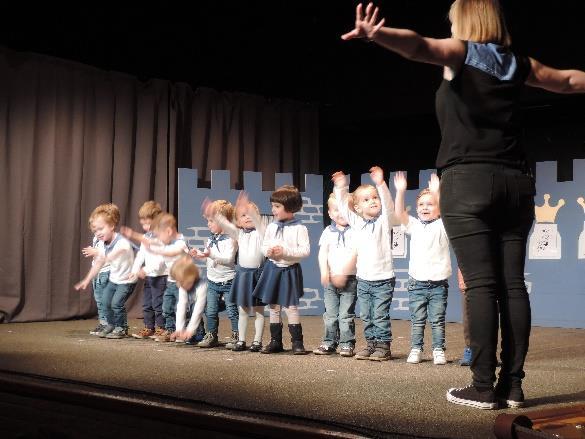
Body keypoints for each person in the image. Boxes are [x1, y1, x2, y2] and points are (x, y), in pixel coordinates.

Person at [342, 0, 585, 409]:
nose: (449, 23)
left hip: (469, 180)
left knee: (482, 285)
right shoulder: (518, 63)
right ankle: (513, 386)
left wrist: (377, 34)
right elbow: (568, 80)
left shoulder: (462, 51)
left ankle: (484, 388)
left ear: (467, 19)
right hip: (517, 182)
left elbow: (419, 46)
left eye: (453, 17)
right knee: (512, 285)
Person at [331, 166, 399, 361]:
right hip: (364, 279)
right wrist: (341, 188)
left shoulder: (383, 222)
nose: (373, 201)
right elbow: (344, 206)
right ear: (358, 208)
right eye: (366, 199)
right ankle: (371, 344)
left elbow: (388, 205)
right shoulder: (357, 223)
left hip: (383, 279)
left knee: (379, 315)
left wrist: (381, 184)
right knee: (367, 316)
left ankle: (383, 346)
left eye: (374, 197)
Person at [394, 172, 451, 366]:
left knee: (437, 320)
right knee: (417, 320)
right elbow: (399, 213)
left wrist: (437, 192)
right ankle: (416, 348)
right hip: (417, 282)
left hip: (438, 283)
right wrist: (400, 191)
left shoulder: (444, 225)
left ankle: (438, 349)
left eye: (430, 204)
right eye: (421, 204)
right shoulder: (414, 225)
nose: (425, 207)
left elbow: (447, 209)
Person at [252, 185, 310, 355]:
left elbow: (304, 251)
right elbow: (264, 245)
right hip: (272, 269)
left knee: (291, 306)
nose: (273, 210)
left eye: (277, 206)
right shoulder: (272, 227)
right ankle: (275, 341)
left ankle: (297, 342)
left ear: (290, 207)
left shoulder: (300, 228)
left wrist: (285, 252)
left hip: (289, 270)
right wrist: (268, 252)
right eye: (273, 206)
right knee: (274, 305)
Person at [209, 192, 267, 352]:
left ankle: (257, 341)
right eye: (243, 215)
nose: (248, 217)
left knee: (259, 311)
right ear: (238, 221)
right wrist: (215, 214)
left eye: (251, 215)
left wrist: (248, 208)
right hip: (243, 276)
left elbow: (258, 223)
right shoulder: (239, 234)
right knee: (242, 310)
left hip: (258, 275)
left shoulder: (261, 233)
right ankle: (241, 340)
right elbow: (227, 226)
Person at [74, 203, 137, 339]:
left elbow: (117, 253)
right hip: (103, 274)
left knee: (114, 302)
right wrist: (87, 279)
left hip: (117, 276)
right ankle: (107, 324)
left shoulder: (120, 241)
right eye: (95, 230)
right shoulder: (100, 240)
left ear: (112, 226)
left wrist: (98, 252)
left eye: (101, 229)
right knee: (102, 301)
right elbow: (98, 262)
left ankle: (119, 326)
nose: (98, 233)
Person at [313, 193, 357, 357]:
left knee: (346, 315)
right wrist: (324, 271)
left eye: (346, 210)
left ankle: (347, 344)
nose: (341, 213)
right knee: (330, 314)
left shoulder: (356, 231)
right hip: (331, 280)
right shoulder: (328, 232)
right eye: (336, 210)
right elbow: (322, 253)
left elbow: (356, 254)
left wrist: (344, 274)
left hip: (350, 279)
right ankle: (329, 342)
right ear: (330, 213)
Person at [190, 200, 239, 348]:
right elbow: (210, 258)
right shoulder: (210, 239)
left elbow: (228, 259)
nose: (208, 224)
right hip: (212, 281)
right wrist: (200, 255)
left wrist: (210, 255)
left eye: (211, 221)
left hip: (228, 281)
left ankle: (237, 336)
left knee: (232, 310)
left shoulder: (231, 239)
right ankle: (211, 335)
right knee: (210, 310)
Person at [119, 201, 168, 340]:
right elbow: (141, 255)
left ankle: (162, 328)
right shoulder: (146, 237)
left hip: (161, 276)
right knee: (147, 303)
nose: (146, 227)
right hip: (149, 276)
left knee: (159, 304)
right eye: (143, 224)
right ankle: (149, 327)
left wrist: (145, 269)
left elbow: (161, 260)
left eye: (149, 224)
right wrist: (135, 270)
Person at [145, 213, 189, 342]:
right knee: (166, 308)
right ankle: (170, 331)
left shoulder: (180, 242)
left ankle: (190, 332)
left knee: (184, 309)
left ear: (168, 231)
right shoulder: (165, 244)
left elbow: (173, 252)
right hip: (170, 282)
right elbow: (160, 261)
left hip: (182, 283)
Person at [171, 255, 207, 343]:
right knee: (187, 307)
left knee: (199, 309)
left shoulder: (202, 285)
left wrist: (190, 329)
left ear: (191, 278)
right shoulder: (184, 284)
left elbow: (199, 308)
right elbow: (181, 306)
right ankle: (195, 333)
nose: (179, 285)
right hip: (198, 303)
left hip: (219, 301)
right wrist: (179, 328)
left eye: (181, 282)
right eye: (177, 281)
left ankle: (205, 334)